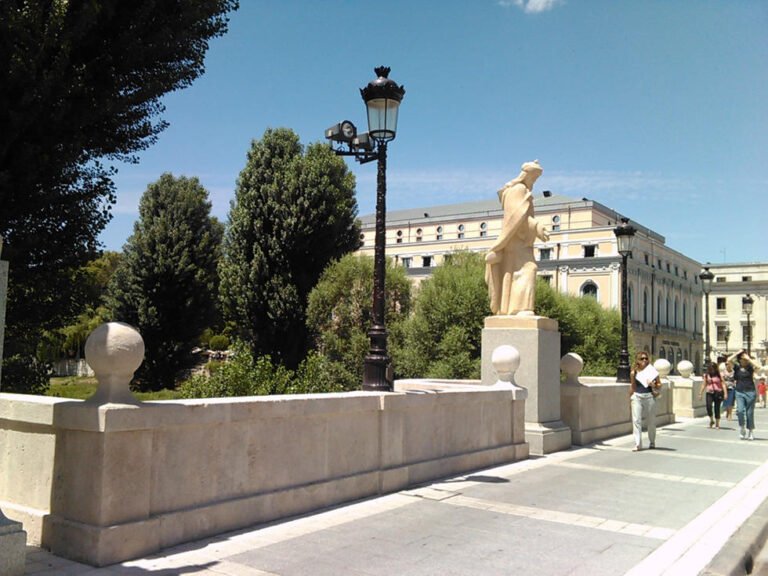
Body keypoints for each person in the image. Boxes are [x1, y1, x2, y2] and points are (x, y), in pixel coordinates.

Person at [485, 160, 550, 316]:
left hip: (520, 241)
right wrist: (537, 226)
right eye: (534, 177)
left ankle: (514, 308)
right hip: (516, 242)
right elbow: (517, 217)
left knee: (518, 273)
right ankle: (521, 309)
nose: (534, 181)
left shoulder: (521, 190)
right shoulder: (518, 190)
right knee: (529, 269)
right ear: (527, 174)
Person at [727, 349, 762, 440]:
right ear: (740, 359)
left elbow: (759, 367)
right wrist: (737, 352)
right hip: (739, 391)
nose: (744, 361)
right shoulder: (737, 367)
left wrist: (749, 358)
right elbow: (728, 360)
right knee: (739, 411)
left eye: (745, 359)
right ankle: (742, 428)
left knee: (749, 413)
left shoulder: (750, 367)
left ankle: (750, 431)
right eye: (743, 359)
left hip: (750, 392)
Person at [630, 351, 661, 451]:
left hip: (649, 396)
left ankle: (652, 441)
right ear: (637, 360)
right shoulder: (634, 372)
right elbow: (633, 385)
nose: (644, 360)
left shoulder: (652, 371)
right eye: (642, 358)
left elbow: (659, 384)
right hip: (637, 396)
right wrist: (630, 396)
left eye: (646, 358)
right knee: (636, 420)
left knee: (651, 421)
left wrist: (654, 385)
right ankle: (638, 444)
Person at [699, 362, 725, 429]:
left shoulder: (719, 375)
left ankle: (717, 423)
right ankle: (711, 420)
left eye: (713, 368)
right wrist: (700, 393)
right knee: (708, 406)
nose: (712, 369)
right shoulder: (707, 375)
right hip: (709, 392)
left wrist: (725, 393)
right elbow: (704, 384)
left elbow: (723, 384)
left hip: (718, 392)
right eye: (711, 368)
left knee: (717, 408)